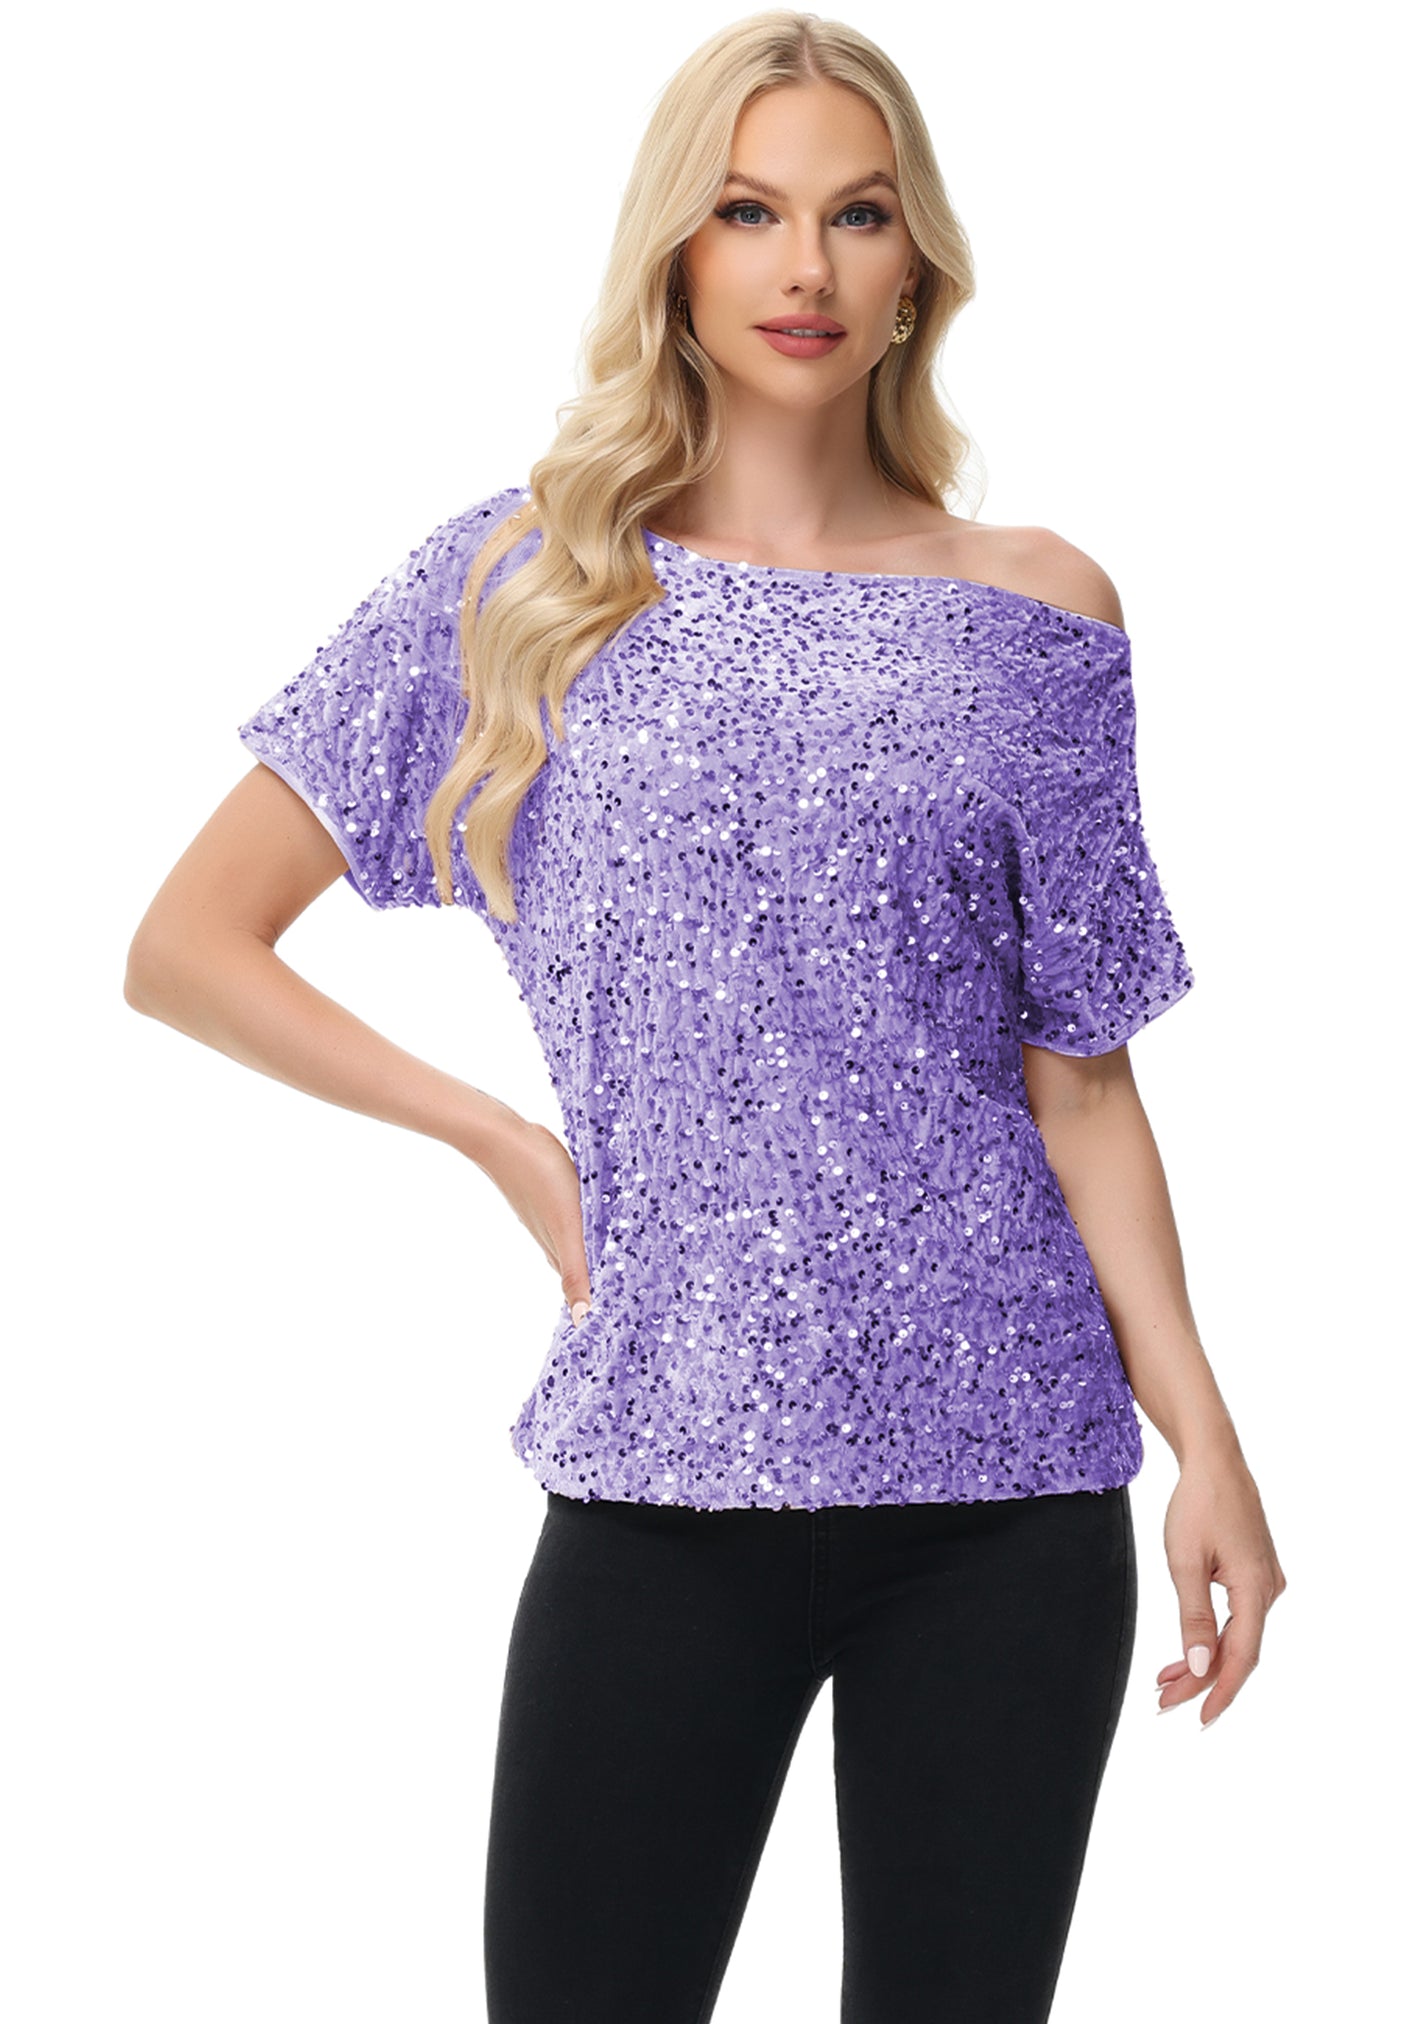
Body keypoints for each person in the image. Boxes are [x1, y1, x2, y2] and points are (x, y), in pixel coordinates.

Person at [124, 10, 1286, 2020]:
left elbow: (1084, 1082)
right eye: (749, 212)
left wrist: (1208, 1444)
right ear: (674, 248)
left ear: (918, 260)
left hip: (1009, 1488)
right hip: (661, 1454)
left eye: (857, 214)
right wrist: (506, 1142)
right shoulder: (522, 583)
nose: (803, 266)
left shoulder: (1040, 612)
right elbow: (187, 944)